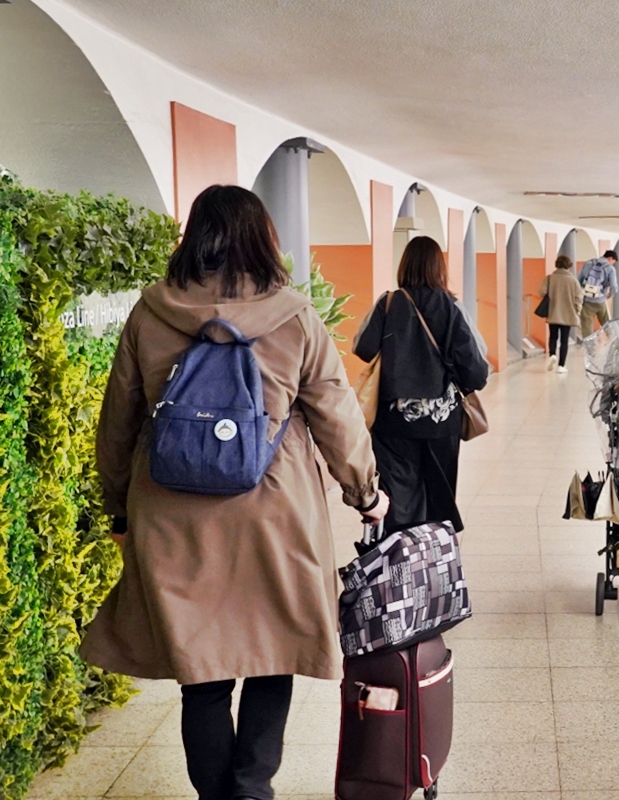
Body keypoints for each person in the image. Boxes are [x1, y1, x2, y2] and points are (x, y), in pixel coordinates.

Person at [81, 185, 389, 800]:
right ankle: (251, 789)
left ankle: (217, 795)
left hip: (171, 512)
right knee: (274, 654)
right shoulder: (295, 315)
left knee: (202, 672)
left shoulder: (150, 313)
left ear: (193, 236)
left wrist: (116, 505)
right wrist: (367, 494)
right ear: (263, 238)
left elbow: (117, 420)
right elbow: (336, 416)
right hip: (275, 512)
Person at [354, 235, 489, 534]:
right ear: (438, 267)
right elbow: (476, 373)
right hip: (440, 424)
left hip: (393, 423)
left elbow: (363, 348)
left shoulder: (388, 303)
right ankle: (434, 564)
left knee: (397, 498)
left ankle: (398, 564)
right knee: (439, 498)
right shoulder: (452, 307)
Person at [540, 254, 584, 373]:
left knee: (553, 336)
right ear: (568, 266)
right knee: (564, 340)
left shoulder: (549, 278)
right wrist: (577, 309)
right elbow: (579, 297)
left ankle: (552, 354)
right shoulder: (573, 280)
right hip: (568, 313)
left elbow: (542, 292)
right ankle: (561, 365)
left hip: (553, 312)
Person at [577, 249, 618, 338]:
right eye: (613, 262)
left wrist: (583, 292)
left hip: (587, 300)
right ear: (610, 258)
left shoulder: (588, 263)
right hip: (600, 301)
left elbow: (578, 280)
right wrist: (609, 295)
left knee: (586, 326)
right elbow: (614, 286)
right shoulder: (610, 269)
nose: (612, 264)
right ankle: (612, 341)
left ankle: (589, 349)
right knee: (606, 323)